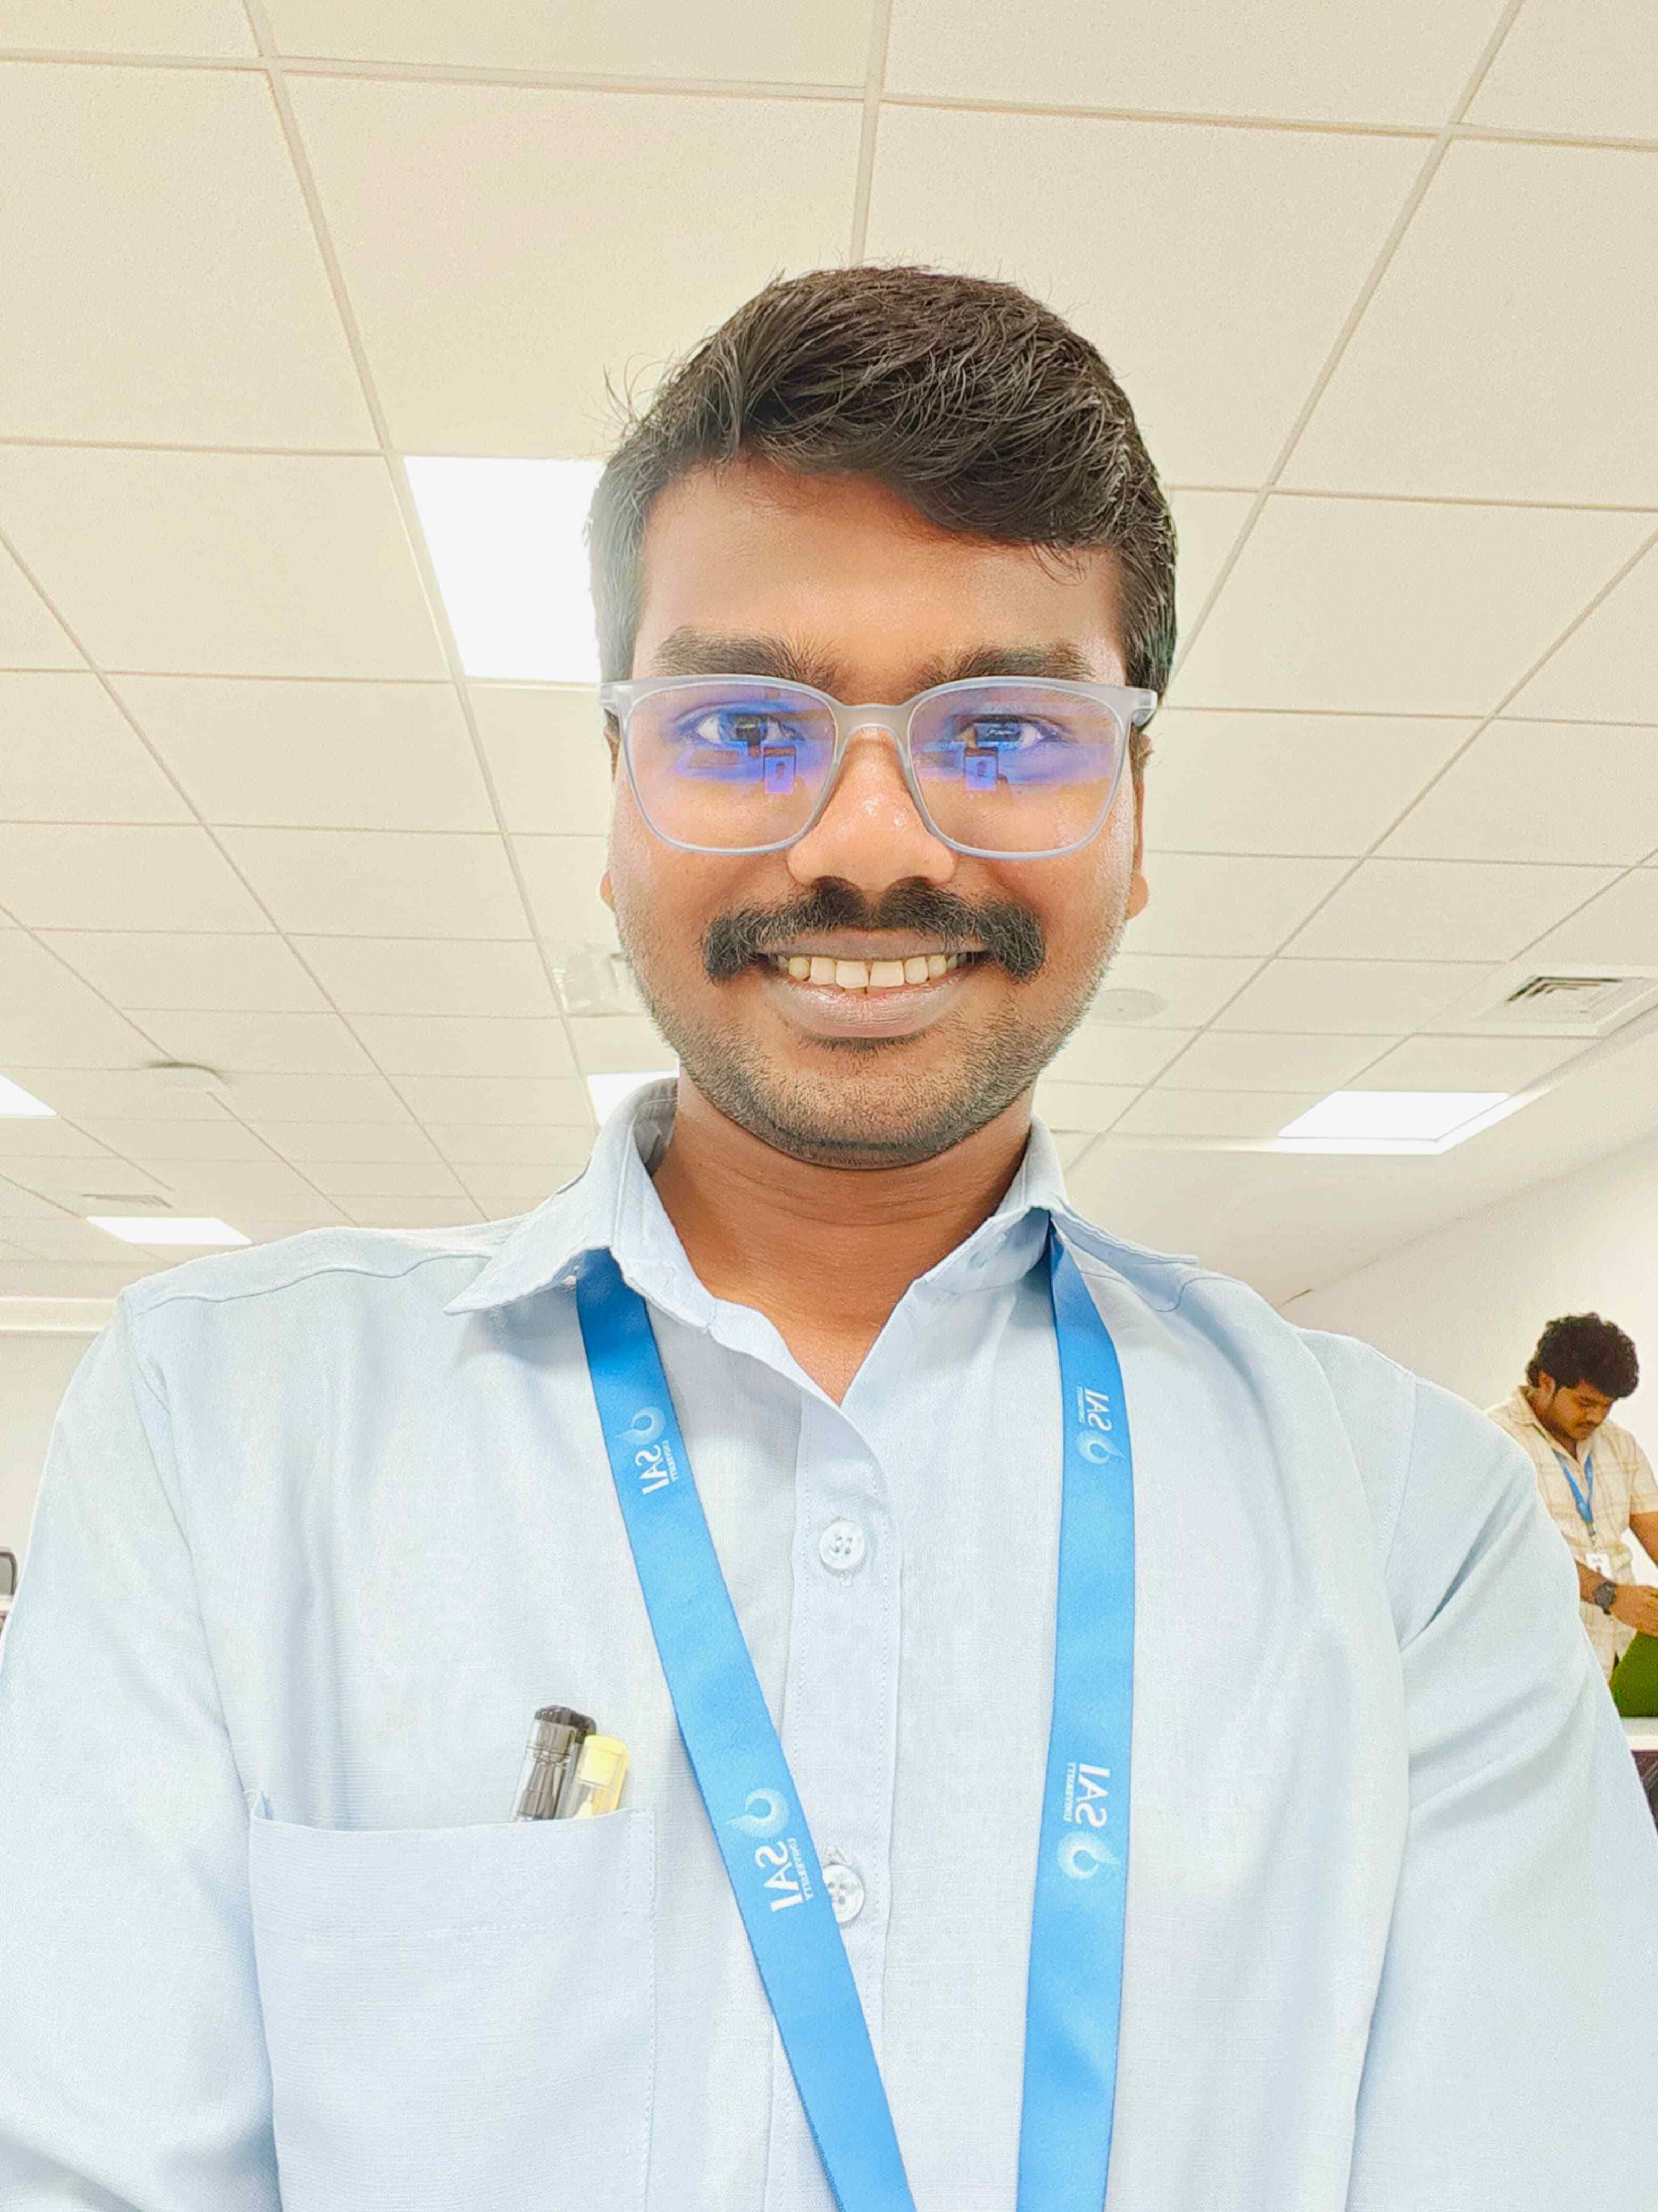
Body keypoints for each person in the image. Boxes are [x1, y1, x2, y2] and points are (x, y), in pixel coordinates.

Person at [1, 267, 1655, 2212]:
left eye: (1007, 731)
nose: (870, 841)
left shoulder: (1404, 1533)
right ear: (614, 795)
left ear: (1133, 809)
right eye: (741, 723)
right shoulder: (223, 1432)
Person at [1486, 1314, 1658, 1678]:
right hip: (1540, 1657)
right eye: (1585, 1403)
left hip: (1619, 1651)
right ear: (1545, 1382)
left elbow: (1654, 1530)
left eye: (1607, 1406)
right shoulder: (1494, 1440)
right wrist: (1610, 1595)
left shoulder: (1619, 1443)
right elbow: (1514, 1550)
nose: (1596, 1417)